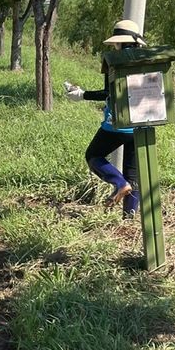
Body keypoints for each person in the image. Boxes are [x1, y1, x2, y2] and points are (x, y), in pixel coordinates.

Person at [64, 18, 145, 218]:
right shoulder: (146, 60)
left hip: (116, 125)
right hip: (143, 123)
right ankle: (129, 218)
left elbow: (108, 93)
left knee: (93, 155)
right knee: (133, 172)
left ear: (118, 41)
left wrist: (82, 94)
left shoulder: (113, 60)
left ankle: (119, 183)